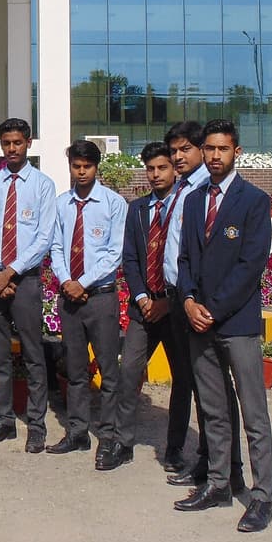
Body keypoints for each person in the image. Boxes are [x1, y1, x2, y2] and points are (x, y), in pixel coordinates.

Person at [174, 120, 272, 534]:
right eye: (210, 149)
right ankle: (218, 483)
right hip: (199, 323)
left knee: (253, 414)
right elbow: (184, 259)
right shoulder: (194, 200)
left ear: (237, 152)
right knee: (213, 411)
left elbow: (251, 265)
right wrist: (188, 300)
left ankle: (261, 497)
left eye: (223, 149)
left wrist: (212, 310)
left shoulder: (253, 201)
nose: (216, 156)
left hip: (237, 324)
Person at [0, 117, 60, 453]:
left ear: (28, 143)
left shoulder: (43, 185)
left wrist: (10, 272)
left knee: (33, 354)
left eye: (17, 143)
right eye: (6, 143)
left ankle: (36, 425)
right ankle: (4, 421)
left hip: (25, 279)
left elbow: (44, 237)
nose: (12, 148)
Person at [163, 120, 242, 489]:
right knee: (197, 386)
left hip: (202, 305)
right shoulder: (183, 189)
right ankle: (208, 461)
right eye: (174, 151)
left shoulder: (206, 191)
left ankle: (224, 468)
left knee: (214, 392)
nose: (178, 157)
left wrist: (197, 301)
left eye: (186, 149)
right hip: (181, 299)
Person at [50, 139, 127, 469]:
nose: (81, 172)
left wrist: (83, 283)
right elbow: (55, 246)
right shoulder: (61, 204)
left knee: (108, 370)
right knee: (76, 369)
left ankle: (108, 436)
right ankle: (78, 431)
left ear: (97, 167)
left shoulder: (113, 203)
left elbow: (114, 252)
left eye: (87, 166)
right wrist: (67, 281)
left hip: (100, 297)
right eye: (76, 166)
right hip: (70, 298)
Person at [117, 141, 190, 473]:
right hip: (144, 310)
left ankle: (174, 448)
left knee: (183, 379)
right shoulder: (137, 209)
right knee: (129, 372)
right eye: (150, 169)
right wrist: (142, 297)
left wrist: (167, 302)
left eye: (162, 167)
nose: (156, 174)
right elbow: (130, 258)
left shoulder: (187, 206)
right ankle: (122, 442)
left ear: (174, 168)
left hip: (175, 310)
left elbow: (188, 259)